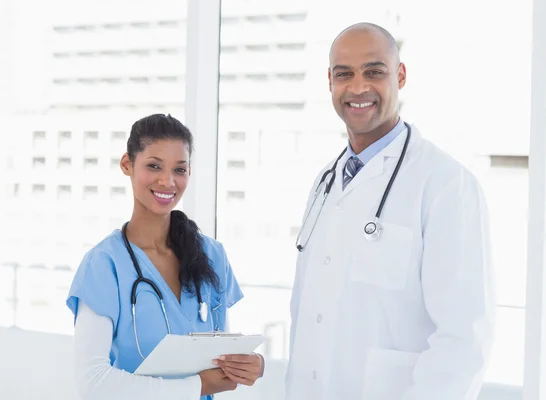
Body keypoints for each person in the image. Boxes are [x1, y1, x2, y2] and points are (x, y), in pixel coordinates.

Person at [286, 22, 495, 400]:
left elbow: (464, 339)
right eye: (343, 74)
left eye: (374, 72)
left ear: (400, 76)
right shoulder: (325, 182)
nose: (358, 87)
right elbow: (306, 314)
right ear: (329, 82)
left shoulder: (446, 184)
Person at [66, 114, 264, 400]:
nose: (167, 181)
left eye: (179, 169)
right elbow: (93, 383)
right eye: (154, 166)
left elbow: (221, 355)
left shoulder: (211, 255)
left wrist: (252, 366)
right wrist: (198, 386)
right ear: (127, 165)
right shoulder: (104, 264)